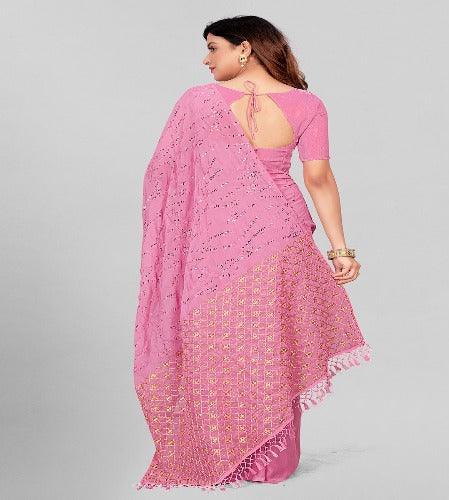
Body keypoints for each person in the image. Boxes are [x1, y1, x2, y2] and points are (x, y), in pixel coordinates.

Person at [133, 15, 372, 492]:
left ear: (244, 49)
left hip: (214, 241)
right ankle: (274, 461)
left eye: (213, 47)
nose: (206, 60)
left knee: (217, 343)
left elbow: (164, 176)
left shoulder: (196, 103)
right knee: (273, 339)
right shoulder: (307, 104)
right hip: (283, 235)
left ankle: (228, 455)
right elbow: (318, 178)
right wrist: (340, 249)